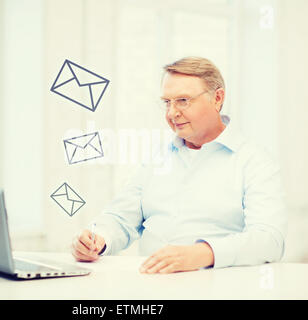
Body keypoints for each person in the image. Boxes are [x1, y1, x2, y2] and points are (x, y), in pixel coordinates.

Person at [71, 56, 287, 274]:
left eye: (183, 100)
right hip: (151, 288)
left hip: (219, 288)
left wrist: (203, 253)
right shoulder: (156, 158)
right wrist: (97, 239)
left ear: (217, 98)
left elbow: (269, 240)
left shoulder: (255, 162)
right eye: (167, 102)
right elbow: (121, 218)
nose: (172, 113)